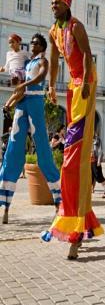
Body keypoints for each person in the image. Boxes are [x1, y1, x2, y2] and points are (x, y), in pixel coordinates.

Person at [45, 0, 103, 260]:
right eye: (52, 2)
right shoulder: (54, 31)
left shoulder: (76, 26)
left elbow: (89, 56)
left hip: (85, 87)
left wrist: (89, 86)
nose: (52, 6)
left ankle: (75, 227)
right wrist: (52, 85)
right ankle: (79, 219)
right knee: (71, 156)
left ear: (66, 5)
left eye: (56, 2)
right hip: (71, 88)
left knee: (74, 159)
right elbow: (55, 59)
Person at [0, 33, 61, 224]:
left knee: (43, 149)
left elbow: (43, 76)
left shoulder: (42, 61)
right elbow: (15, 72)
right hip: (22, 104)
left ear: (41, 46)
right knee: (13, 150)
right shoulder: (27, 62)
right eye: (32, 43)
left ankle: (59, 201)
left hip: (35, 102)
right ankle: (5, 205)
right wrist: (11, 101)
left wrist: (24, 85)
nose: (32, 45)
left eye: (35, 43)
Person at [91, 132, 105, 198]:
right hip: (88, 161)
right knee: (89, 177)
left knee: (99, 176)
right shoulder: (86, 138)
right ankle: (88, 193)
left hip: (95, 160)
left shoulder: (97, 139)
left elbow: (100, 150)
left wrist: (99, 160)